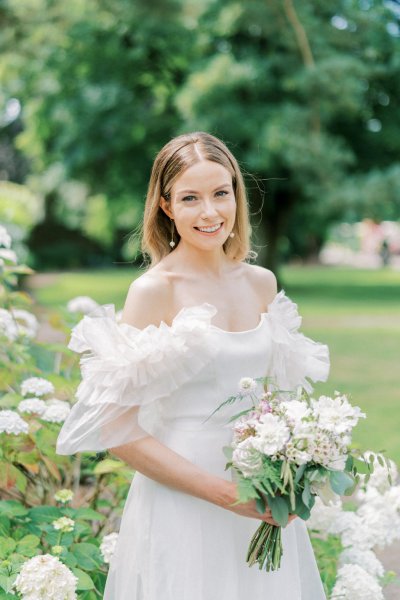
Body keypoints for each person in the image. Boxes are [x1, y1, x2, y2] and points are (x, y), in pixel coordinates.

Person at [56, 131, 330, 599]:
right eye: (190, 198)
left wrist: (297, 462)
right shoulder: (154, 291)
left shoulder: (262, 283)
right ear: (166, 206)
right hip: (183, 504)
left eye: (221, 193)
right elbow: (116, 430)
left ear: (237, 197)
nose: (210, 212)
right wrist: (226, 495)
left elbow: (272, 403)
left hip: (260, 495)